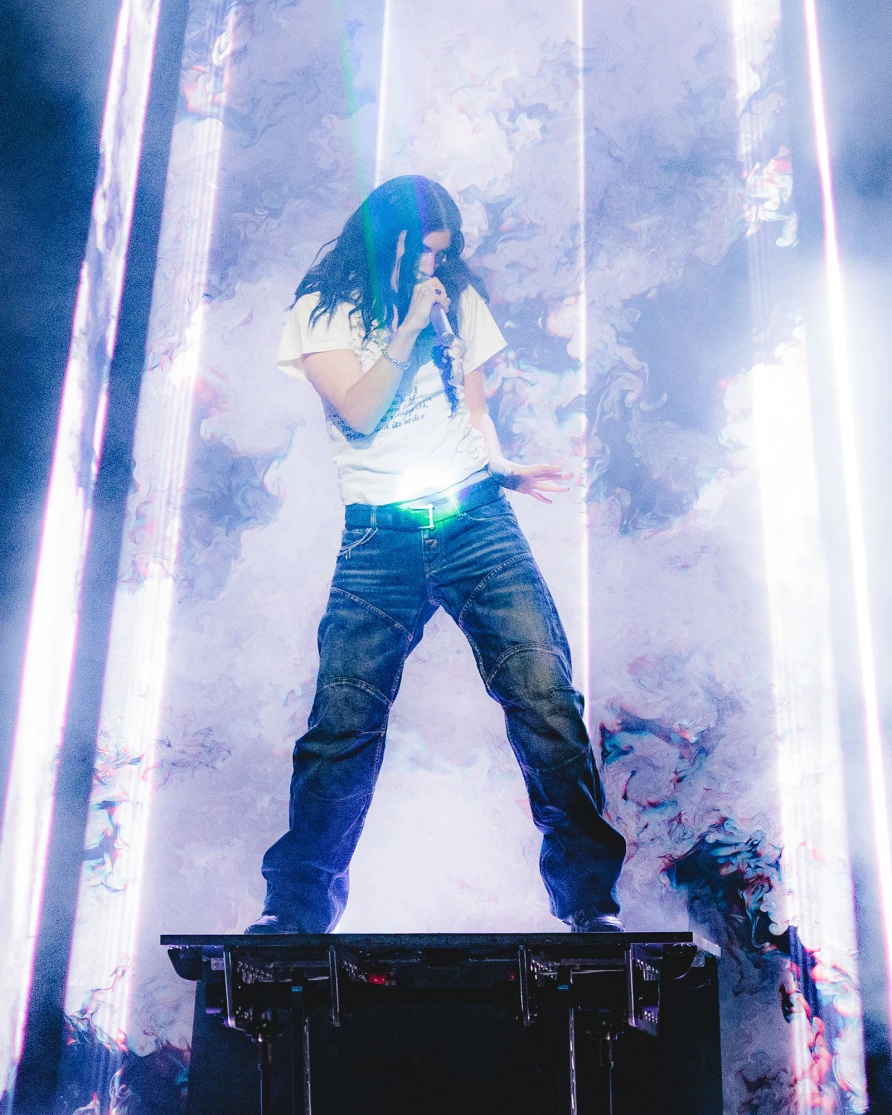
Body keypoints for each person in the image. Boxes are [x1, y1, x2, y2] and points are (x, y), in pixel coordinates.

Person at [246, 176, 626, 934]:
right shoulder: (321, 312)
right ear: (380, 241)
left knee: (546, 699)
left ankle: (590, 905)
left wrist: (503, 465)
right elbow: (358, 408)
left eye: (442, 257)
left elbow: (472, 408)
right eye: (421, 254)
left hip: (473, 519)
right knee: (342, 723)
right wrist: (410, 329)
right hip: (378, 538)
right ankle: (293, 911)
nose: (432, 270)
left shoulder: (459, 302)